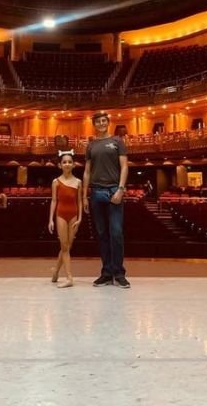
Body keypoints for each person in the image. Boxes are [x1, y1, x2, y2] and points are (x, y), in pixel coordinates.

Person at [83, 111, 129, 288]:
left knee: (116, 233)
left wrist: (120, 189)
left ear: (107, 123)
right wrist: (85, 196)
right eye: (98, 121)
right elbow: (87, 171)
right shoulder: (91, 145)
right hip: (96, 192)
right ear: (94, 124)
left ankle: (119, 273)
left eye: (104, 121)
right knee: (102, 234)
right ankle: (106, 273)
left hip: (113, 191)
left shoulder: (117, 141)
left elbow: (124, 167)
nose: (101, 123)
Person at [47, 150, 82, 288]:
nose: (67, 164)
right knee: (65, 247)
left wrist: (80, 218)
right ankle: (69, 277)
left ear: (74, 165)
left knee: (68, 246)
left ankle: (56, 271)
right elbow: (54, 201)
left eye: (69, 162)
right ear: (60, 165)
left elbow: (79, 201)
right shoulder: (55, 182)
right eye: (64, 162)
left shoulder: (78, 182)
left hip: (73, 215)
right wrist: (50, 220)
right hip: (61, 215)